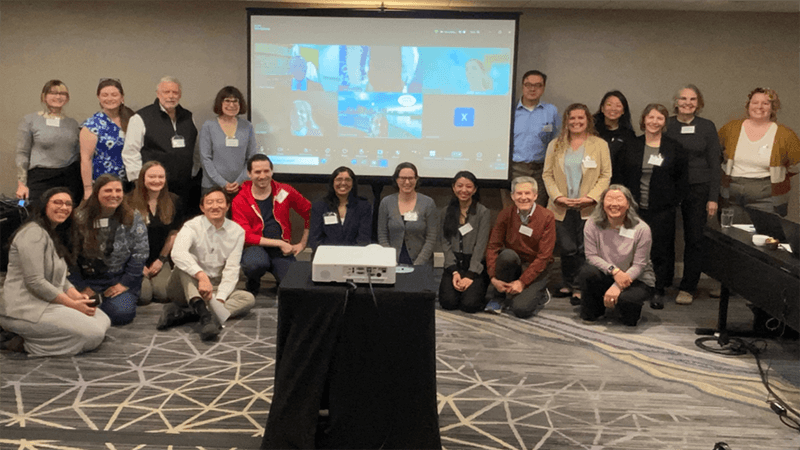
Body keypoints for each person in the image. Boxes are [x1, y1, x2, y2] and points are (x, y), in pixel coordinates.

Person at [0, 188, 111, 356]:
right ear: (44, 205)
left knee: (104, 319)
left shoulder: (52, 234)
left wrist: (76, 296)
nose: (63, 207)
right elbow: (35, 282)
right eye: (57, 202)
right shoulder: (32, 233)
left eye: (68, 204)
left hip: (47, 302)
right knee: (93, 334)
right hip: (24, 308)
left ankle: (39, 336)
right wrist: (72, 305)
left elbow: (62, 278)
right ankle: (20, 343)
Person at [612, 104, 687, 309]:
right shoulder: (630, 145)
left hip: (662, 209)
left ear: (665, 122)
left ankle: (658, 289)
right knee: (630, 247)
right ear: (643, 120)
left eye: (659, 118)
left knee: (661, 249)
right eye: (650, 117)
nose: (654, 122)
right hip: (633, 208)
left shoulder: (673, 147)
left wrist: (673, 201)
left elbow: (682, 178)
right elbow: (619, 175)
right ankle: (630, 283)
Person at [157, 187, 255, 341]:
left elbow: (232, 269)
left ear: (227, 206)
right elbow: (177, 253)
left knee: (247, 299)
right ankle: (205, 316)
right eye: (209, 202)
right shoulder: (191, 226)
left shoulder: (237, 232)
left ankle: (189, 314)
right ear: (202, 208)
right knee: (185, 265)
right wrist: (201, 276)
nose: (215, 206)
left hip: (213, 287)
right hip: (184, 286)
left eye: (219, 202)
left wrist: (221, 299)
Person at [543, 103, 611, 305]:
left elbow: (606, 175)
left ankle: (580, 288)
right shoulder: (555, 145)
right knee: (567, 248)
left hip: (588, 207)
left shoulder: (599, 145)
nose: (576, 122)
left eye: (581, 118)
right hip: (561, 207)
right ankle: (567, 282)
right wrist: (557, 197)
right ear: (566, 121)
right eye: (572, 118)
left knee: (584, 249)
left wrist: (591, 197)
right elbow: (547, 174)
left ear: (588, 120)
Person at [665, 85, 722, 305]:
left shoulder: (707, 127)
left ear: (699, 103)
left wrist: (713, 197)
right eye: (683, 98)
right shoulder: (667, 124)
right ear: (676, 101)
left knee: (694, 238)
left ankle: (688, 286)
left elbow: (715, 164)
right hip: (669, 188)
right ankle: (663, 281)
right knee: (664, 236)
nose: (688, 102)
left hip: (698, 189)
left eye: (693, 99)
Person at [69, 174, 149, 325]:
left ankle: (102, 304)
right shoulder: (79, 217)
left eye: (118, 191)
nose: (114, 195)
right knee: (73, 309)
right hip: (88, 279)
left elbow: (140, 253)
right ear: (96, 192)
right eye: (108, 191)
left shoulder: (133, 217)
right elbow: (69, 256)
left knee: (121, 314)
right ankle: (96, 303)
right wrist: (82, 287)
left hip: (120, 279)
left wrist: (124, 283)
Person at [232, 154, 311, 294]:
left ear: (272, 171)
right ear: (249, 174)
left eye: (266, 171)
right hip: (254, 247)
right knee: (256, 264)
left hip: (281, 250)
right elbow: (246, 236)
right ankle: (253, 282)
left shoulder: (285, 191)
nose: (262, 176)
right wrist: (279, 243)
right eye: (257, 172)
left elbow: (310, 213)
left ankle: (280, 283)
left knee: (293, 284)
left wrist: (302, 243)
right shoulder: (240, 199)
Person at [577, 185, 656, 326]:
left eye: (619, 199)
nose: (614, 204)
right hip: (608, 273)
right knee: (587, 272)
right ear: (602, 204)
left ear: (628, 204)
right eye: (609, 199)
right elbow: (591, 256)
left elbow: (639, 265)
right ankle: (595, 309)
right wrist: (614, 271)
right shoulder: (592, 224)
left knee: (628, 316)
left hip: (636, 278)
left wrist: (617, 286)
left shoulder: (642, 229)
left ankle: (622, 305)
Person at [718, 88, 800, 221]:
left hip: (767, 197)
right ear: (748, 105)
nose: (759, 107)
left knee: (766, 237)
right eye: (755, 102)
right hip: (731, 194)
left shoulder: (785, 135)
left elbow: (796, 166)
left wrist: (778, 174)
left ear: (773, 108)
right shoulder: (730, 129)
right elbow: (715, 154)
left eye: (766, 103)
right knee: (732, 236)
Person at [121, 76, 200, 212]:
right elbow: (130, 152)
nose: (171, 96)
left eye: (174, 92)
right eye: (166, 92)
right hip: (153, 187)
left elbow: (195, 148)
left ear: (180, 95)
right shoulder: (141, 117)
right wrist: (138, 181)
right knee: (157, 226)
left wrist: (194, 170)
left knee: (180, 224)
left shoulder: (188, 116)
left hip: (183, 185)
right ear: (158, 94)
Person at [485, 176, 556, 319]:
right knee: (507, 255)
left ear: (535, 195)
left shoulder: (547, 216)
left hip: (535, 267)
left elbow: (544, 256)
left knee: (521, 310)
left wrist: (522, 282)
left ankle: (539, 292)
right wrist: (493, 278)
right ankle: (499, 297)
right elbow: (493, 246)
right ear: (512, 196)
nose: (523, 198)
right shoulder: (505, 214)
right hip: (514, 263)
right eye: (519, 193)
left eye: (527, 193)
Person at [15, 80, 82, 210]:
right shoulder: (30, 120)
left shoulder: (73, 124)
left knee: (67, 220)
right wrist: (21, 184)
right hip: (40, 178)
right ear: (44, 96)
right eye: (53, 93)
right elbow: (22, 153)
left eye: (62, 93)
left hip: (69, 179)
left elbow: (79, 154)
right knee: (36, 216)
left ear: (67, 98)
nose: (58, 96)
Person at [125, 161, 183, 305]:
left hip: (159, 257)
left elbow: (173, 233)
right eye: (151, 177)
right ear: (142, 178)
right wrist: (137, 263)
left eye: (160, 177)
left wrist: (161, 260)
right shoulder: (128, 201)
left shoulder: (174, 200)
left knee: (164, 295)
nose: (156, 180)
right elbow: (124, 237)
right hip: (133, 258)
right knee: (144, 297)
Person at [438, 171, 491, 313]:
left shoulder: (482, 212)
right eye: (459, 186)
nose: (464, 190)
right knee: (448, 303)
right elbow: (445, 243)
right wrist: (454, 272)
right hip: (454, 264)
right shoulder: (445, 212)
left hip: (474, 265)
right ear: (453, 188)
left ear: (474, 189)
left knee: (469, 305)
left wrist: (470, 275)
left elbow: (481, 245)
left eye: (468, 186)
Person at [509, 70, 560, 208]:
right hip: (516, 169)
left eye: (537, 85)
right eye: (528, 85)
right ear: (522, 86)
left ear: (543, 88)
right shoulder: (510, 110)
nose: (532, 89)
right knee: (516, 211)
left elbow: (555, 141)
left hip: (541, 170)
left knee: (538, 212)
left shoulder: (551, 111)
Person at [79, 79, 135, 199]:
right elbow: (86, 159)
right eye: (105, 95)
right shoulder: (92, 124)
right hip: (103, 184)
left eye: (114, 95)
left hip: (130, 183)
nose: (110, 98)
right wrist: (88, 189)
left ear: (122, 97)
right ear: (99, 98)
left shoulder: (132, 120)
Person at [199, 86, 258, 196]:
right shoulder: (208, 126)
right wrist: (223, 183)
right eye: (227, 101)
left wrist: (239, 181)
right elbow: (205, 158)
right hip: (212, 186)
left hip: (240, 186)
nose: (231, 105)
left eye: (235, 101)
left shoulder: (247, 126)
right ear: (220, 103)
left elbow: (251, 157)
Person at [377, 162, 438, 266]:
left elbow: (431, 237)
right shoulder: (386, 202)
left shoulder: (428, 203)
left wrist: (419, 263)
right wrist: (390, 260)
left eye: (411, 178)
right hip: (392, 262)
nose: (407, 182)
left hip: (421, 264)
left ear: (416, 179)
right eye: (403, 178)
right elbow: (382, 235)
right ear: (396, 180)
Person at [309, 166, 372, 251]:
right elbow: (315, 239)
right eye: (339, 179)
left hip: (354, 258)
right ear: (332, 183)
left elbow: (364, 239)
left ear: (353, 183)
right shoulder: (320, 206)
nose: (343, 183)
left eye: (347, 180)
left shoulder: (363, 206)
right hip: (325, 258)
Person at [593, 90, 636, 163]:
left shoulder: (629, 135)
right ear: (602, 108)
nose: (613, 109)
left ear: (623, 111)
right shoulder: (592, 130)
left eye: (618, 106)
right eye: (609, 105)